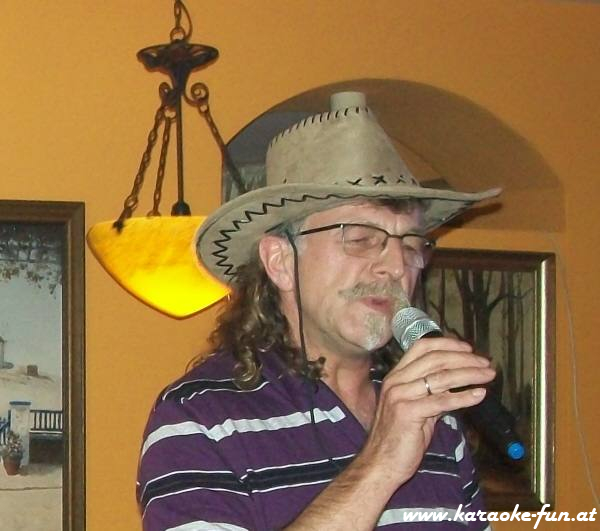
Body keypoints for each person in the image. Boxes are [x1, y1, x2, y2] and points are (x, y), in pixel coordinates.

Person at [137, 91, 501, 530]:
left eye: (410, 245)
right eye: (361, 239)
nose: (395, 266)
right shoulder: (200, 418)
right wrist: (382, 460)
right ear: (280, 261)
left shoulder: (434, 416)